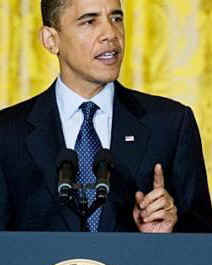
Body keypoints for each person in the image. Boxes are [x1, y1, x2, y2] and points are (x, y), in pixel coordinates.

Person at [0, 0, 211, 232]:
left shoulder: (170, 124)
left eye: (116, 18)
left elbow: (201, 238)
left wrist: (169, 231)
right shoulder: (7, 133)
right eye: (89, 21)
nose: (110, 33)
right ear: (51, 40)